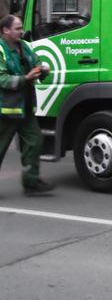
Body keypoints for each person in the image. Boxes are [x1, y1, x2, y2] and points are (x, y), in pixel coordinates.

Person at [0, 14, 54, 195]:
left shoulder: (24, 46)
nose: (21, 31)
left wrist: (42, 70)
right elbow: (2, 78)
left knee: (35, 141)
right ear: (5, 30)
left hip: (25, 107)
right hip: (5, 110)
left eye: (21, 27)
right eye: (17, 28)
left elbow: (36, 62)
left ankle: (31, 181)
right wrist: (25, 78)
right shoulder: (0, 50)